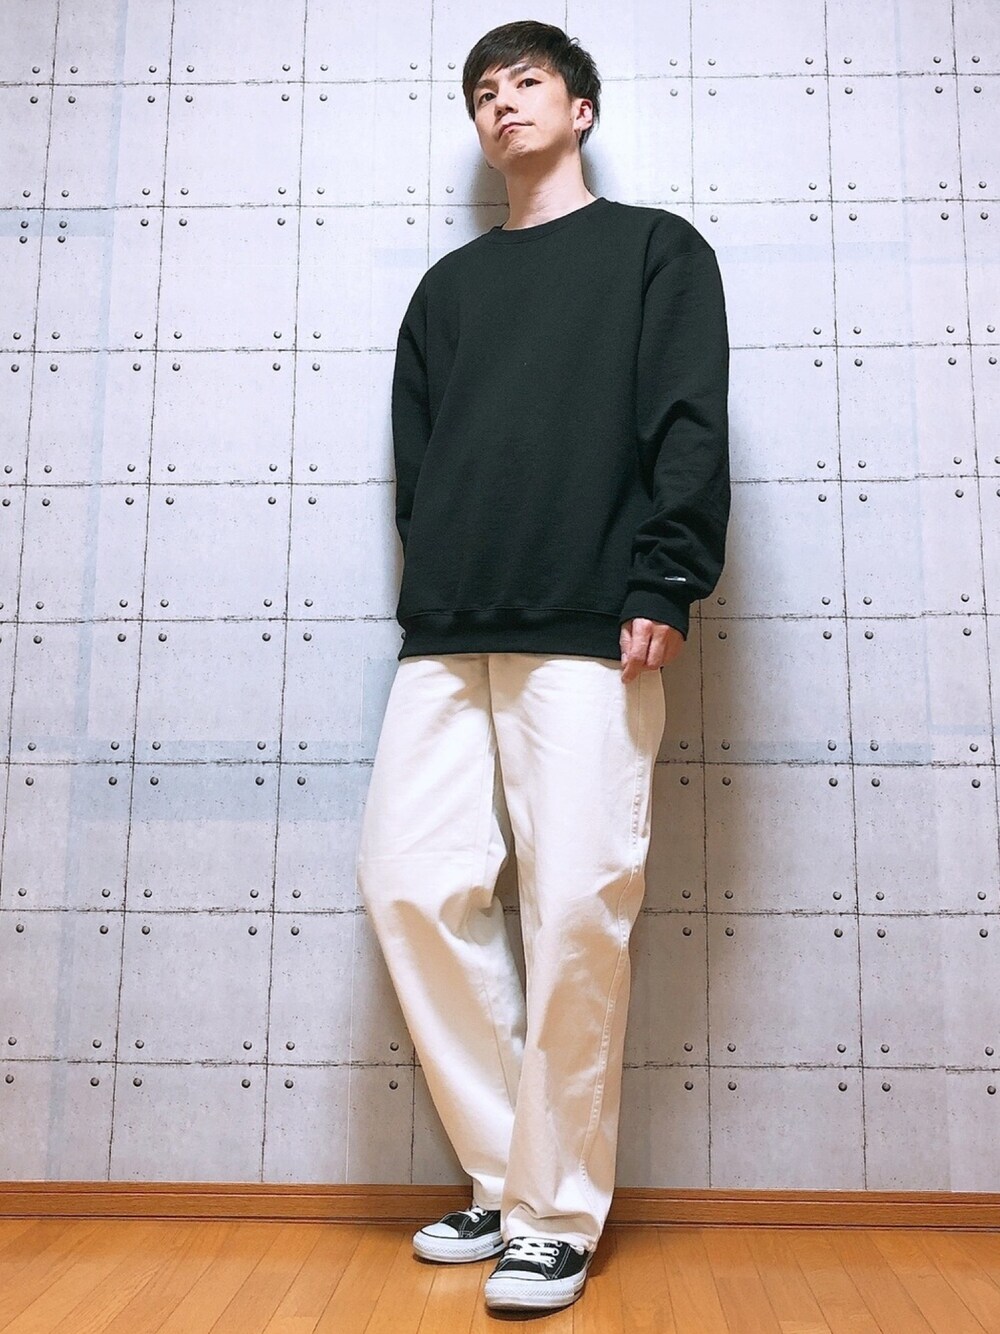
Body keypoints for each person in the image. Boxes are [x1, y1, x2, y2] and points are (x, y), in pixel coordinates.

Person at [355, 18, 730, 1315]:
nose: (500, 102)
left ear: (581, 110)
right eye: (481, 91)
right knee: (409, 883)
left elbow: (687, 420)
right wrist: (432, 585)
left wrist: (666, 576)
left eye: (525, 81)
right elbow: (418, 467)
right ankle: (509, 1172)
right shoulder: (447, 291)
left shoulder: (656, 251)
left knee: (575, 908)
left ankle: (554, 1215)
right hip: (450, 625)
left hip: (594, 624)